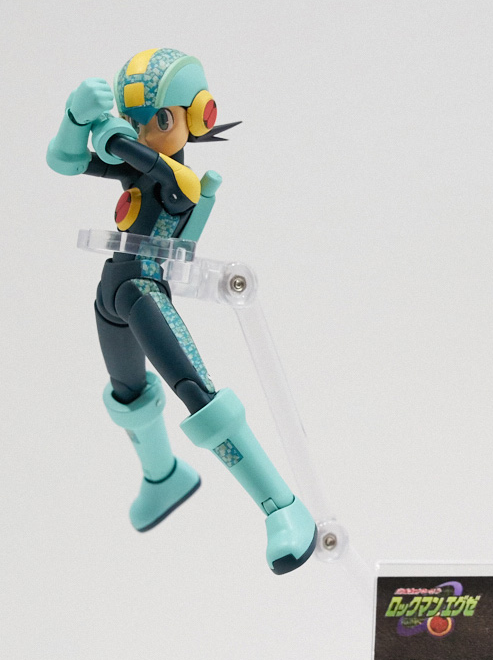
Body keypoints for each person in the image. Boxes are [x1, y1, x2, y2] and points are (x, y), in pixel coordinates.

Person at [47, 48, 317, 574]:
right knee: (128, 392)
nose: (146, 133)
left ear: (198, 116)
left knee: (197, 394)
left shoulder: (181, 182)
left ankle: (283, 507)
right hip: (112, 290)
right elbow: (65, 161)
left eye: (161, 121)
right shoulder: (134, 161)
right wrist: (74, 119)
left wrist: (108, 131)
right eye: (137, 122)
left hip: (145, 291)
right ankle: (163, 477)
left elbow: (132, 153)